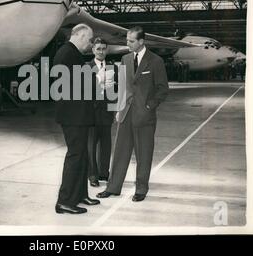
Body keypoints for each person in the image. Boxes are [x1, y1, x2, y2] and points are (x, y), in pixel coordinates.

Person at [97, 26, 169, 202]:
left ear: (141, 41)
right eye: (127, 40)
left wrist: (149, 106)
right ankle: (113, 188)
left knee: (144, 154)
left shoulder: (155, 61)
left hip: (144, 115)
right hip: (126, 113)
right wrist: (118, 109)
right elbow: (122, 87)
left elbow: (163, 89)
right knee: (120, 152)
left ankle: (141, 189)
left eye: (131, 41)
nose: (126, 43)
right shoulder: (125, 59)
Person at [53, 23, 106, 214]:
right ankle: (64, 201)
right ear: (81, 36)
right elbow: (70, 85)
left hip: (77, 114)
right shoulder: (67, 54)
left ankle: (80, 195)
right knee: (75, 156)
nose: (90, 43)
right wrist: (97, 79)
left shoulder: (71, 54)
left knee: (82, 155)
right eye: (90, 39)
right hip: (72, 115)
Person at [88, 37, 118, 187]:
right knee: (91, 145)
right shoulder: (86, 67)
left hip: (107, 112)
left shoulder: (113, 68)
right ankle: (92, 175)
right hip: (91, 113)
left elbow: (118, 90)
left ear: (107, 50)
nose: (101, 51)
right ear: (93, 49)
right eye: (98, 48)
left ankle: (104, 173)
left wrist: (117, 108)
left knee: (106, 144)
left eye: (103, 48)